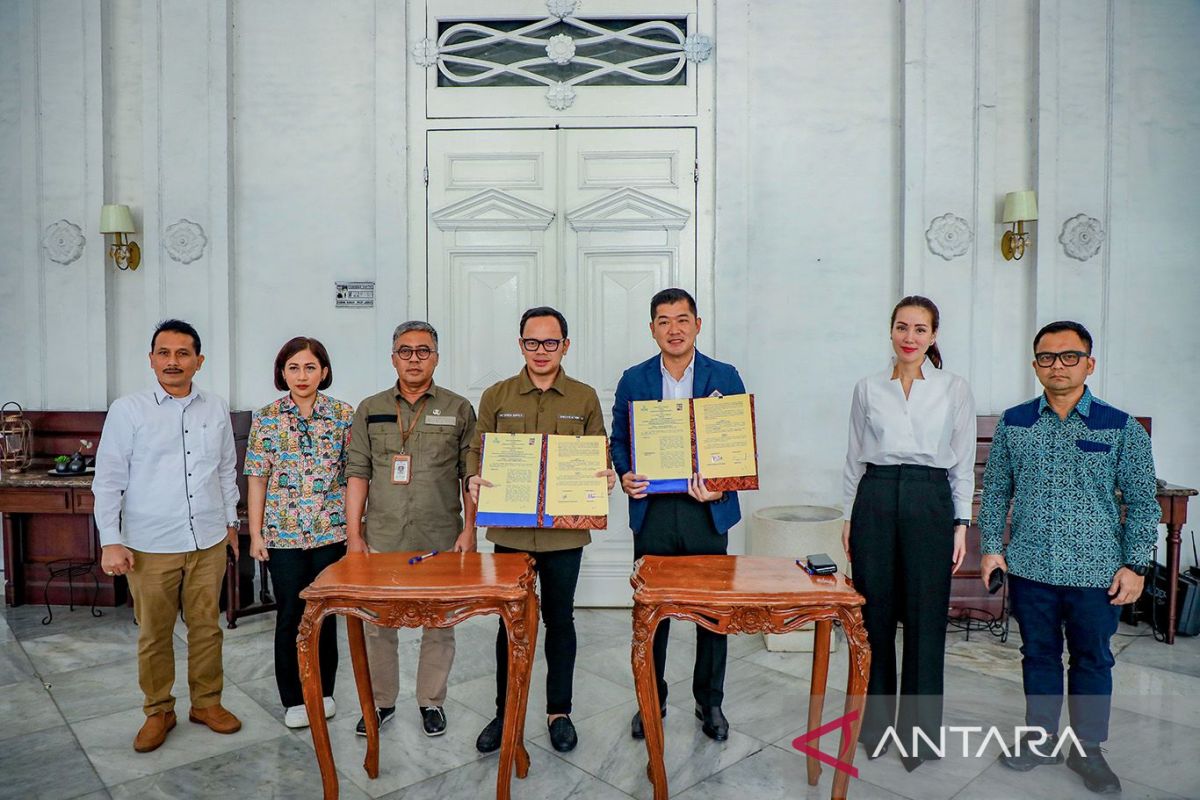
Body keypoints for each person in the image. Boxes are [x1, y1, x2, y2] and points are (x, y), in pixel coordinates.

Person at [980, 321, 1157, 794]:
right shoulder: (1015, 422)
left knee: (1092, 659)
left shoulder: (1120, 427)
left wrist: (1136, 564)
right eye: (1046, 357)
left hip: (1098, 572)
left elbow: (1142, 502)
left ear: (1089, 363)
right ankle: (1039, 737)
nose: (1057, 365)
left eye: (1068, 356)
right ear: (1035, 363)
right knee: (1037, 654)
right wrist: (992, 549)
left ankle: (1088, 750)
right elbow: (996, 490)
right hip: (1031, 565)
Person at [469, 306, 615, 755]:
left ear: (565, 346)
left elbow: (598, 453)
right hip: (510, 535)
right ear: (521, 345)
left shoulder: (584, 397)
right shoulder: (496, 395)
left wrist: (603, 475)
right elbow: (478, 452)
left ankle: (559, 711)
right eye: (532, 342)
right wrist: (476, 478)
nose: (541, 351)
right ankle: (505, 710)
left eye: (550, 342)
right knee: (509, 625)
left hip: (565, 536)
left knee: (560, 620)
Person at [92, 319, 243, 753]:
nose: (172, 362)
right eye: (164, 353)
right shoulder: (129, 409)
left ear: (199, 360)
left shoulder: (215, 407)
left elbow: (225, 470)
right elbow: (108, 479)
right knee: (154, 634)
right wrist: (111, 539)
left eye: (182, 353)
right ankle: (159, 710)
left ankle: (207, 703)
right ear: (152, 359)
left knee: (206, 628)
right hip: (150, 544)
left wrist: (231, 524)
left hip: (208, 539)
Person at [840, 295, 975, 771]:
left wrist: (961, 524)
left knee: (924, 617)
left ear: (933, 335)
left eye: (920, 329)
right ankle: (875, 728)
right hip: (875, 497)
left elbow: (960, 462)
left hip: (929, 497)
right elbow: (855, 455)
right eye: (902, 327)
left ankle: (918, 737)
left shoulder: (953, 388)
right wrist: (847, 517)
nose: (910, 337)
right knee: (873, 618)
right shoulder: (868, 388)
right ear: (891, 331)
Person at [611, 287, 746, 743]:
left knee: (713, 615)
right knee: (651, 614)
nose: (674, 328)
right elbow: (619, 440)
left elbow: (737, 447)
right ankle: (651, 696)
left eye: (682, 319)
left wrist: (720, 486)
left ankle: (710, 702)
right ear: (652, 329)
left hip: (706, 514)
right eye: (664, 321)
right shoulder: (634, 380)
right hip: (654, 511)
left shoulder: (724, 376)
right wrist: (626, 472)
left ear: (698, 325)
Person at [345, 321, 477, 737]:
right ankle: (381, 703)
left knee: (439, 624)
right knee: (378, 625)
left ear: (436, 357)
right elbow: (358, 473)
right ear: (393, 357)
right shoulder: (370, 408)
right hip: (382, 537)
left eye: (423, 351)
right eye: (406, 351)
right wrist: (354, 535)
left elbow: (468, 475)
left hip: (440, 536)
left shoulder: (458, 409)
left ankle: (431, 702)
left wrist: (469, 531)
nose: (414, 359)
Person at [244, 336, 354, 729]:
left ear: (323, 372)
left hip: (331, 532)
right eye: (293, 367)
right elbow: (257, 479)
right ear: (282, 372)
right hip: (283, 535)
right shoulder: (267, 417)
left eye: (310, 367)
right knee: (291, 613)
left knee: (325, 613)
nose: (302, 375)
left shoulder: (343, 415)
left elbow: (354, 476)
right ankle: (293, 698)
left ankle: (323, 691)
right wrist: (256, 534)